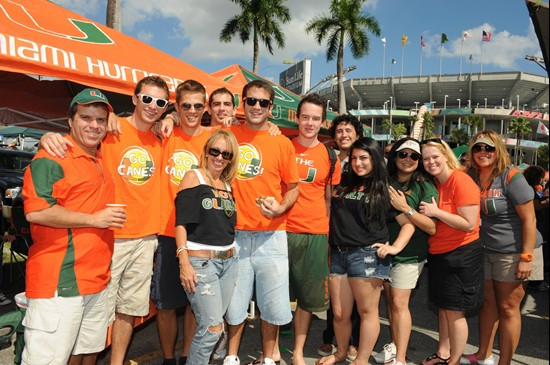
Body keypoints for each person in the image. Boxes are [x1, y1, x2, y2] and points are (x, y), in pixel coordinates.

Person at [39, 76, 169, 365]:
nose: (152, 106)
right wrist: (48, 137)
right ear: (134, 98)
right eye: (146, 98)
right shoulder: (111, 127)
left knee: (128, 311)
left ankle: (117, 362)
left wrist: (169, 120)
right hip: (110, 236)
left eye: (160, 102)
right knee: (94, 315)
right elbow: (75, 141)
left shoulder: (162, 138)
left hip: (147, 237)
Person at [21, 89, 125, 364]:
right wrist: (95, 219)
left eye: (100, 119)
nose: (94, 125)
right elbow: (37, 211)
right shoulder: (52, 156)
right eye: (86, 117)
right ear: (70, 120)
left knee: (83, 354)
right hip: (60, 282)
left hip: (96, 279)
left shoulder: (98, 156)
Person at [317, 137, 415, 365]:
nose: (358, 163)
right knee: (340, 313)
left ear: (374, 158)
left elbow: (408, 223)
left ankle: (361, 359)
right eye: (354, 158)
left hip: (366, 256)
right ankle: (341, 352)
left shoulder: (386, 187)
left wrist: (395, 247)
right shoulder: (344, 183)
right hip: (339, 253)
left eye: (364, 158)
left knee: (366, 312)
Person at [223, 80, 300, 365]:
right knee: (235, 303)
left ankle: (269, 358)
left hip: (272, 234)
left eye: (263, 103)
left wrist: (280, 207)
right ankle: (232, 357)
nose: (256, 107)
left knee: (272, 304)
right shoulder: (227, 135)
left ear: (271, 107)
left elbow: (294, 186)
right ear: (242, 103)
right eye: (251, 101)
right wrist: (167, 118)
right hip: (235, 233)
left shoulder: (281, 142)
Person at [460, 131, 544, 365]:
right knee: (487, 305)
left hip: (516, 251)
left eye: (489, 148)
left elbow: (530, 219)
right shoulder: (471, 176)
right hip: (486, 250)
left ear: (498, 150)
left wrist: (526, 257)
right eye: (478, 148)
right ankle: (483, 355)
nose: (483, 152)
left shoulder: (512, 177)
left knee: (508, 308)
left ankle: (504, 362)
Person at [154, 80, 212, 365]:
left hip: (201, 235)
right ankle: (168, 359)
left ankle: (188, 356)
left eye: (197, 105)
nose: (191, 110)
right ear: (177, 106)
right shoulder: (164, 133)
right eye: (185, 105)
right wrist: (166, 117)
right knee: (165, 304)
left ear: (206, 107)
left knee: (194, 304)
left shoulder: (215, 139)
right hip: (166, 231)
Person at [286, 93, 341, 365]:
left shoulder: (330, 156)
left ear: (323, 122)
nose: (309, 123)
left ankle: (297, 352)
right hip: (280, 231)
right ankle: (270, 350)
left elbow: (330, 199)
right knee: (274, 294)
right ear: (297, 118)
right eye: (305, 117)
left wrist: (329, 235)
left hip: (315, 232)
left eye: (315, 118)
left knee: (308, 300)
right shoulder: (282, 147)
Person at [176, 129, 239, 365]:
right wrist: (184, 263)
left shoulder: (226, 184)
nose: (220, 157)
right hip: (201, 263)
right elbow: (181, 222)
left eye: (226, 154)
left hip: (229, 262)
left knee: (214, 324)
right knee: (212, 328)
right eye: (215, 151)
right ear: (206, 151)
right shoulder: (194, 177)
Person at [374, 138, 438, 365]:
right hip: (383, 251)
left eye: (414, 156)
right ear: (394, 157)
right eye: (403, 154)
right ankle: (395, 346)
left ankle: (400, 358)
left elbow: (431, 227)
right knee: (391, 303)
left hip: (410, 254)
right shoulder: (384, 181)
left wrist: (406, 208)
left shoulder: (425, 186)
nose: (408, 159)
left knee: (400, 304)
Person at [419, 138, 482, 365]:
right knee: (444, 309)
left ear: (446, 155)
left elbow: (469, 223)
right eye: (426, 158)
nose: (430, 162)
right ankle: (443, 353)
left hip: (462, 253)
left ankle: (454, 360)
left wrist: (436, 212)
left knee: (455, 312)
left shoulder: (460, 181)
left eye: (435, 156)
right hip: (440, 253)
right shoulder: (437, 183)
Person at [318, 114, 364, 361]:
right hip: (332, 230)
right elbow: (326, 196)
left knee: (357, 291)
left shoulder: (364, 160)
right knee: (333, 289)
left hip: (357, 234)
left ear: (357, 135)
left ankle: (354, 342)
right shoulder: (329, 158)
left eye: (348, 131)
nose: (344, 135)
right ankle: (329, 337)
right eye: (339, 131)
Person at [523, 165, 549, 291]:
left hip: (538, 223)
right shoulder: (528, 189)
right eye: (540, 177)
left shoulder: (530, 188)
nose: (541, 180)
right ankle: (534, 282)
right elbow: (536, 206)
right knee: (536, 249)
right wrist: (547, 202)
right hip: (535, 225)